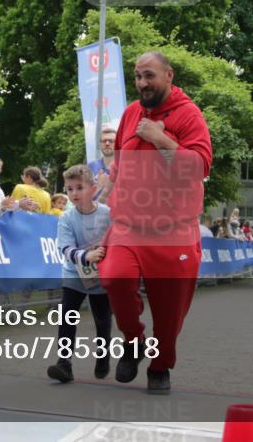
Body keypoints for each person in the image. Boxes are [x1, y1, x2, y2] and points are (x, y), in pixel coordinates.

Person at [98, 51, 212, 395]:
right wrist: (105, 195)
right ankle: (133, 342)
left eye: (149, 76)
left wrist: (161, 139)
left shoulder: (189, 115)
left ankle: (160, 367)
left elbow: (200, 167)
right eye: (137, 77)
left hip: (174, 230)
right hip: (129, 226)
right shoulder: (130, 113)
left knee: (169, 312)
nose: (142, 83)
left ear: (168, 76)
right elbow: (118, 165)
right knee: (114, 278)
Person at [45, 165, 113, 384]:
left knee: (102, 320)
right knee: (67, 317)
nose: (74, 193)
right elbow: (64, 248)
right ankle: (64, 363)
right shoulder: (66, 218)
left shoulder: (107, 214)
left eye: (79, 188)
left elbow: (117, 240)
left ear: (93, 189)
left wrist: (105, 254)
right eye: (70, 189)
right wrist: (86, 256)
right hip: (74, 274)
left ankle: (103, 356)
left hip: (101, 276)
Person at [89, 127, 116, 202]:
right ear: (100, 144)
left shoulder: (126, 167)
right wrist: (99, 186)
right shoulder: (90, 167)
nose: (107, 143)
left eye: (111, 141)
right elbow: (83, 199)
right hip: (95, 212)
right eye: (104, 141)